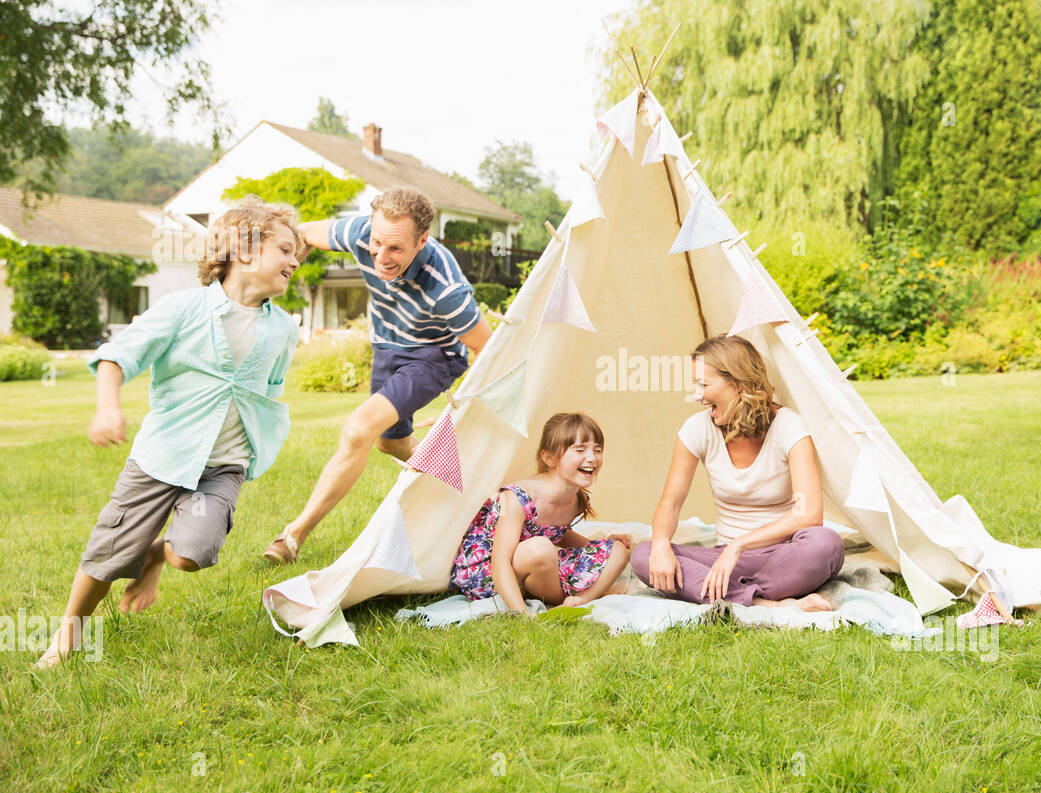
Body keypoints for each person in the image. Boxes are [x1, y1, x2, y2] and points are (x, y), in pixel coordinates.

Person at [37, 197, 304, 668]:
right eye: (284, 249)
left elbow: (271, 388)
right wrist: (107, 409)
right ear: (243, 249)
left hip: (222, 467)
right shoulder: (182, 309)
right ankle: (67, 635)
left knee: (193, 553)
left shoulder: (283, 329)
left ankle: (158, 555)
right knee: (108, 554)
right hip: (162, 459)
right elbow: (115, 357)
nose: (295, 260)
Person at [263, 186, 490, 564]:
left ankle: (292, 535)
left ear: (422, 240)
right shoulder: (361, 234)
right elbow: (303, 233)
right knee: (392, 444)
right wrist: (285, 267)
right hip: (387, 347)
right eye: (377, 242)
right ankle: (466, 480)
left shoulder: (446, 289)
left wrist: (458, 413)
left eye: (396, 249)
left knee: (358, 429)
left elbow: (485, 347)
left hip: (432, 356)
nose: (381, 257)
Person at [631, 335, 843, 610]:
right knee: (644, 555)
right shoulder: (697, 429)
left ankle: (728, 595)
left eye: (703, 384)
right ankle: (766, 604)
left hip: (783, 555)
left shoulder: (788, 426)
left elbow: (809, 514)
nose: (697, 395)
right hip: (723, 560)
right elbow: (670, 504)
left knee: (826, 543)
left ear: (738, 385)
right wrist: (660, 544)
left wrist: (738, 546)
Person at [450, 413, 631, 612]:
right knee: (541, 549)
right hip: (489, 573)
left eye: (598, 450)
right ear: (549, 458)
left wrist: (601, 545)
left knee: (618, 549)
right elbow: (499, 562)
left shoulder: (576, 500)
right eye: (580, 450)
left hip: (533, 565)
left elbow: (555, 532)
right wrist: (522, 613)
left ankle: (581, 599)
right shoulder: (516, 498)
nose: (592, 458)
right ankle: (564, 597)